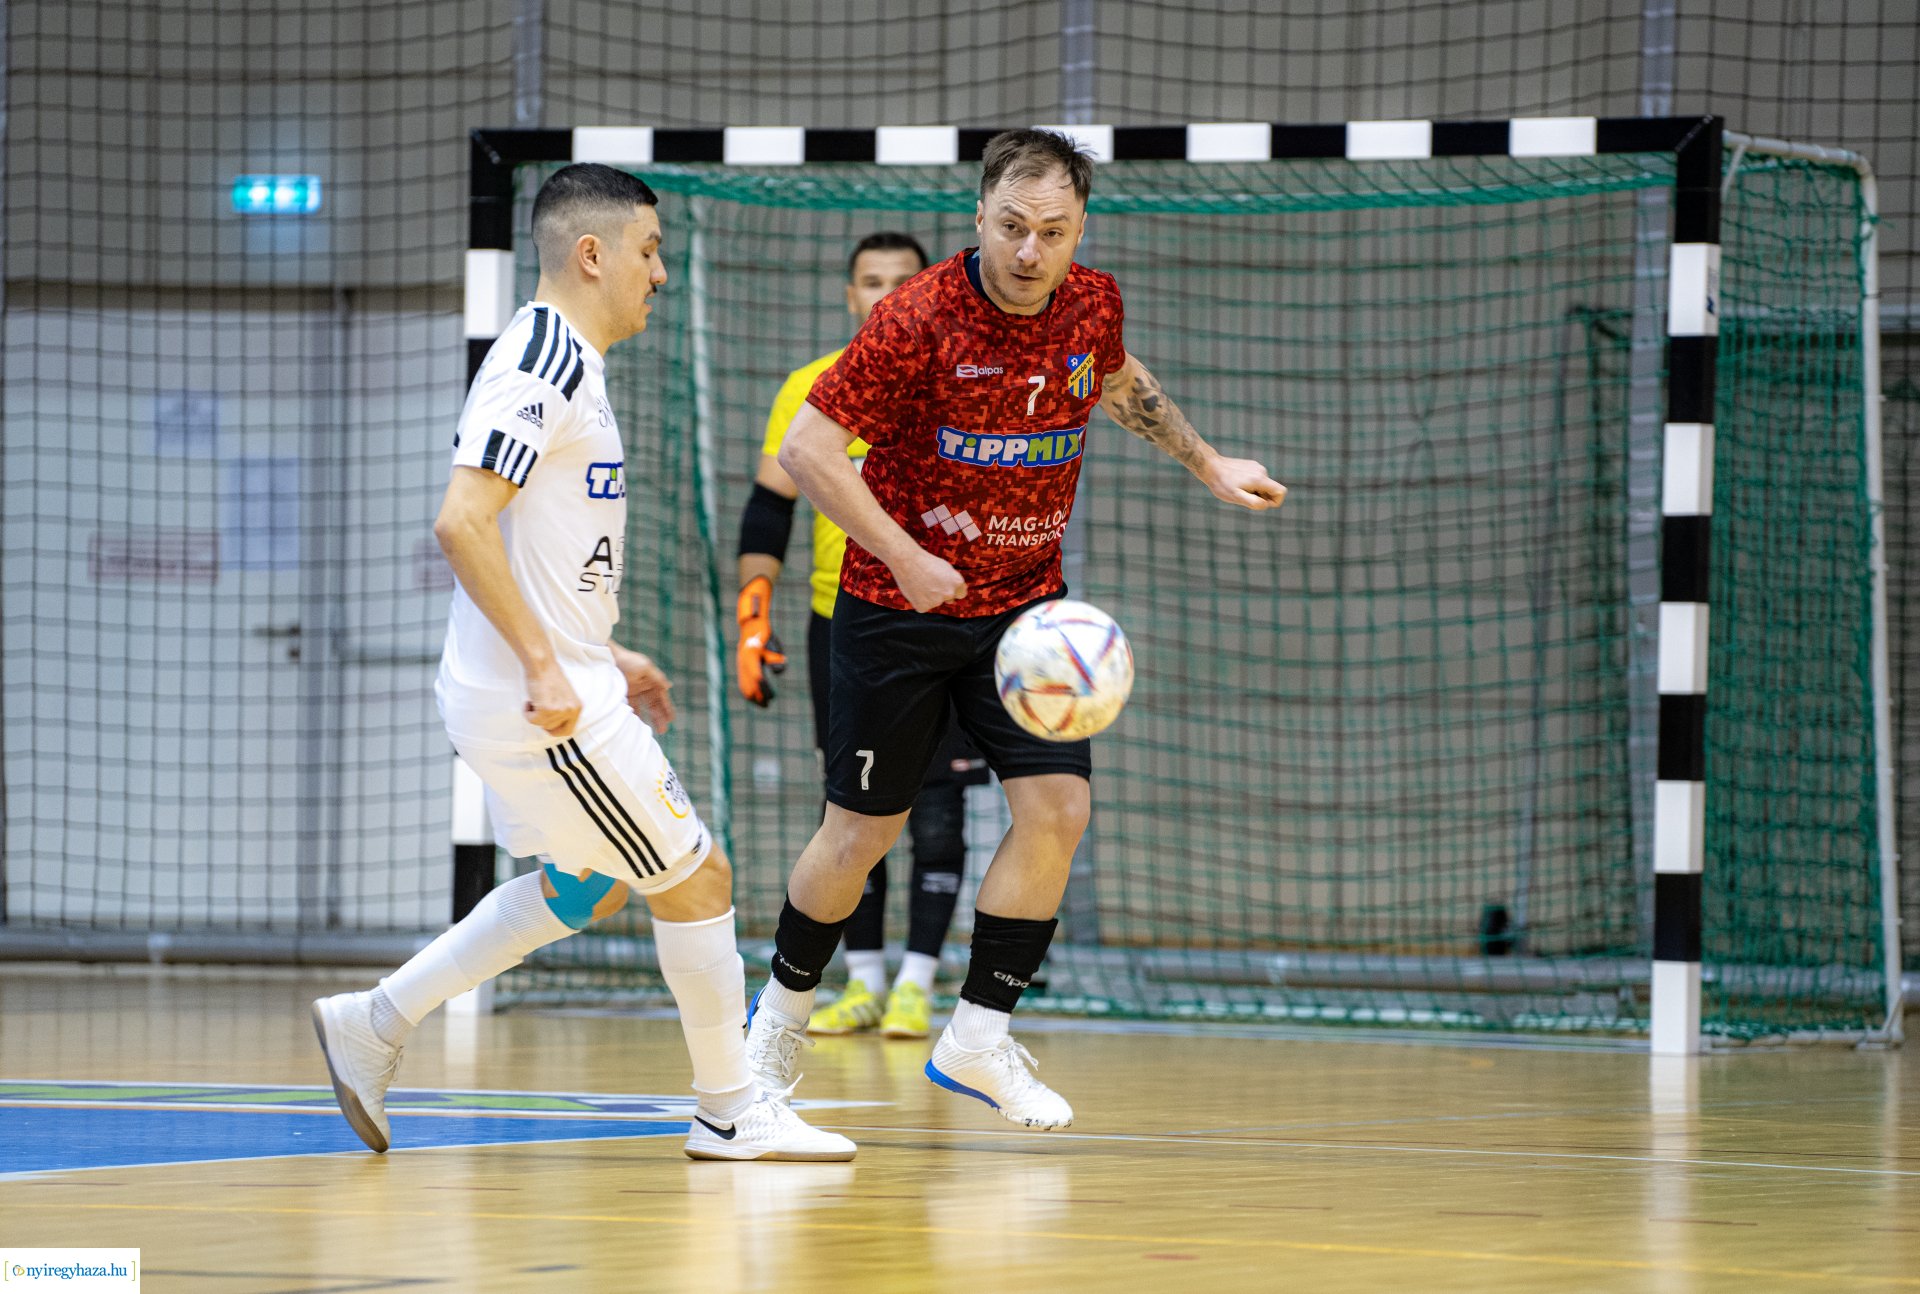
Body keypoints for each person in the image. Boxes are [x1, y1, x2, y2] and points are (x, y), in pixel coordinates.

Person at [741, 129, 1287, 1130]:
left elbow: (1116, 381)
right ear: (978, 215)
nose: (1030, 251)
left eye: (1053, 231)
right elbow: (810, 453)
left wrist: (1211, 464)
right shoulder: (915, 321)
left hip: (1027, 615)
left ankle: (979, 1038)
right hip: (894, 611)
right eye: (1011, 227)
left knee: (1058, 812)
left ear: (1078, 228)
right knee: (861, 834)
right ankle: (777, 1018)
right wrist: (907, 555)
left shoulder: (1092, 302)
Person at [310, 163, 854, 1162]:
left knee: (586, 885)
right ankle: (731, 1107)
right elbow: (462, 523)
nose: (659, 273)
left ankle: (375, 1019)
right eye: (649, 252)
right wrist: (549, 669)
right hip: (540, 705)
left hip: (554, 684)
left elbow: (535, 546)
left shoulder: (572, 363)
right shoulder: (542, 362)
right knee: (698, 874)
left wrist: (600, 649)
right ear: (592, 253)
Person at [735, 232, 987, 1041]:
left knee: (940, 808)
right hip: (839, 619)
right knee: (852, 809)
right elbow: (770, 503)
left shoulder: (965, 378)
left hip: (945, 616)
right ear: (849, 296)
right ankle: (864, 981)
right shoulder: (810, 388)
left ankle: (919, 985)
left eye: (901, 282)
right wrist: (752, 609)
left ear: (930, 292)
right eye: (869, 283)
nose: (884, 296)